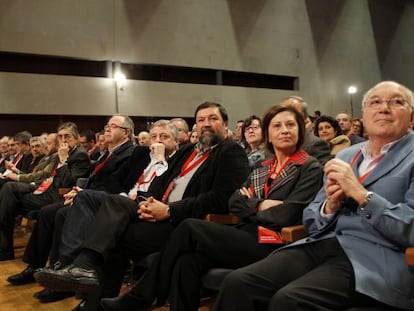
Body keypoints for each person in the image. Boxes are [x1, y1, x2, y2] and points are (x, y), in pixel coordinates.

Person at [99, 104, 324, 311]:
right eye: (277, 125)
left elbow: (290, 212)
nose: (284, 130)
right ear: (269, 134)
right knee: (186, 262)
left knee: (189, 227)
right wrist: (262, 205)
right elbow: (235, 203)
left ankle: (141, 296)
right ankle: (147, 297)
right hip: (246, 232)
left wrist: (251, 204)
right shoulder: (263, 167)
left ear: (300, 131)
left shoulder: (309, 166)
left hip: (275, 241)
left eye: (290, 124)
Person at [212, 81, 414, 311]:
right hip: (322, 242)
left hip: (375, 257)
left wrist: (362, 195)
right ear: (365, 114)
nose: (384, 108)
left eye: (396, 102)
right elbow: (311, 217)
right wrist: (329, 206)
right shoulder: (347, 156)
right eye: (375, 102)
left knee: (289, 301)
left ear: (412, 117)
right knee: (238, 283)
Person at [34, 102, 250, 309]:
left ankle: (90, 289)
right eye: (201, 119)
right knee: (110, 205)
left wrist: (169, 210)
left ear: (225, 123)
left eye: (213, 118)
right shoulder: (189, 151)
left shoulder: (230, 151)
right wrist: (150, 201)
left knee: (113, 238)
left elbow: (221, 198)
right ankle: (84, 269)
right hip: (157, 210)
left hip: (181, 221)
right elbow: (162, 181)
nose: (206, 124)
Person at [6, 115, 140, 302]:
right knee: (48, 213)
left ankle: (65, 272)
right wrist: (80, 189)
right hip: (86, 196)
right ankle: (43, 268)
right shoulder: (108, 152)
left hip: (107, 202)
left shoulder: (131, 152)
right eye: (107, 125)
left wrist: (81, 191)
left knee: (60, 214)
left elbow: (117, 185)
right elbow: (88, 180)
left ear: (126, 132)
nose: (107, 129)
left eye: (113, 126)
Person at [0, 122, 90, 261]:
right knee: (8, 194)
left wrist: (64, 160)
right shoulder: (59, 154)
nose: (64, 140)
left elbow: (67, 183)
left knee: (8, 199)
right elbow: (46, 175)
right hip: (44, 188)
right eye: (60, 137)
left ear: (77, 138)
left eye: (67, 136)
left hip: (58, 195)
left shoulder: (80, 155)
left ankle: (7, 251)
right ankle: (6, 250)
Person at [280, 96, 332, 166]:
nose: (287, 116)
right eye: (283, 111)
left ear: (305, 118)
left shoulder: (316, 145)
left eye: (293, 112)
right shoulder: (275, 143)